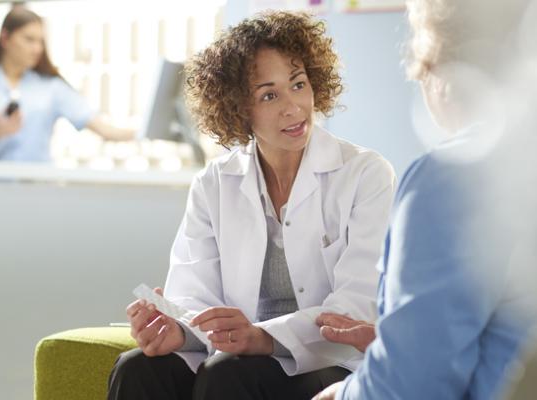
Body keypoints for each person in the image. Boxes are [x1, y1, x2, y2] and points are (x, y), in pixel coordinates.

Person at [107, 11, 396, 400]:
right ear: (239, 108)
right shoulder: (214, 183)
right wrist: (178, 329)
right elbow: (193, 293)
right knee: (138, 368)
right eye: (269, 95)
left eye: (298, 84)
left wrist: (263, 336)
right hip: (233, 355)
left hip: (330, 361)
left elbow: (356, 306)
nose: (293, 107)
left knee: (230, 373)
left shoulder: (365, 174)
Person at [313, 0, 537, 398]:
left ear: (432, 63)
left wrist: (344, 395)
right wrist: (398, 341)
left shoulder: (449, 177)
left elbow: (411, 388)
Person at [0, 6, 132, 162]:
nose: (37, 49)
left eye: (41, 41)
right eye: (29, 39)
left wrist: (146, 131)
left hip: (39, 190)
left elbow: (104, 130)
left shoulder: (51, 87)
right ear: (5, 38)